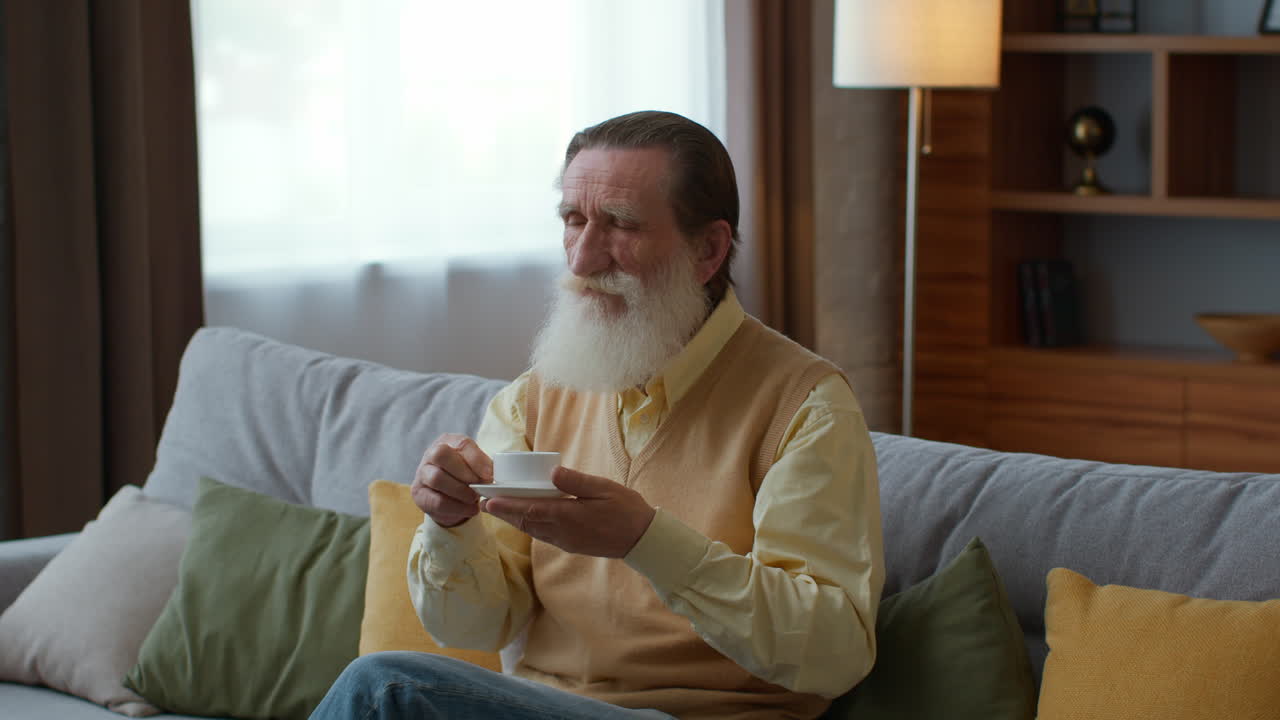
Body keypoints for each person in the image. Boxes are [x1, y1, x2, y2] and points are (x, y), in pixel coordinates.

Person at [310, 110, 884, 720]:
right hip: (541, 707)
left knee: (387, 689)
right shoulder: (534, 397)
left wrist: (646, 542)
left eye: (621, 225)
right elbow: (472, 628)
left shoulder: (806, 405)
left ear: (708, 249)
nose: (582, 259)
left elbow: (834, 653)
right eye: (574, 219)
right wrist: (451, 528)